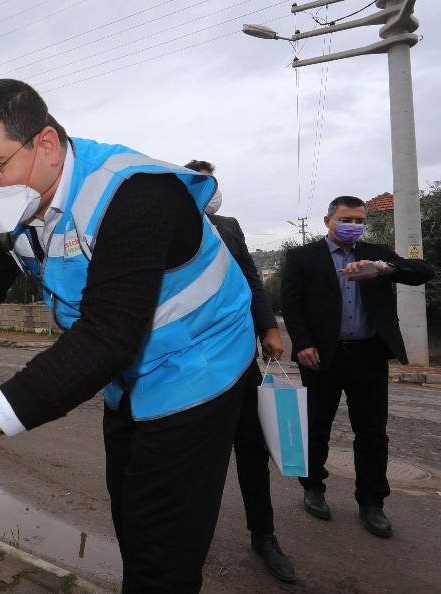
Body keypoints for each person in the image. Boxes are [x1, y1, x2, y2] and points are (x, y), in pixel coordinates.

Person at [0, 79, 257, 592]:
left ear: (46, 144)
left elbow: (107, 335)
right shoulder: (18, 206)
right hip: (128, 375)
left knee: (163, 544)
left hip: (200, 367)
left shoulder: (137, 194)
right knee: (131, 514)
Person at [281, 195, 434, 539]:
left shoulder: (377, 253)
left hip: (369, 356)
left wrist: (385, 268)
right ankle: (314, 488)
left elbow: (424, 272)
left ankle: (372, 502)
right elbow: (290, 304)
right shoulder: (303, 257)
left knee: (371, 432)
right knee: (316, 427)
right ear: (328, 220)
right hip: (321, 357)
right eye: (347, 219)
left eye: (360, 220)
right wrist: (303, 343)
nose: (354, 226)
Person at [185, 159, 295, 583]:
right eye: (200, 183)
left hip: (239, 359)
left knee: (252, 449)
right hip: (188, 365)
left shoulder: (228, 225)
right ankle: (186, 542)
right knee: (194, 458)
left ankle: (264, 535)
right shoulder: (163, 224)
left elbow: (251, 277)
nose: (209, 192)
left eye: (213, 183)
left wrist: (269, 327)